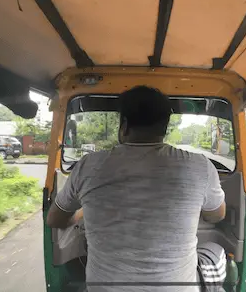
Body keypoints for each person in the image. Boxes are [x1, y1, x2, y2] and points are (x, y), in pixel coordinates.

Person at [46, 86, 227, 292]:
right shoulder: (200, 167)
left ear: (123, 126)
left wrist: (82, 213)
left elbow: (54, 219)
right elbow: (217, 215)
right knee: (216, 251)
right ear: (164, 128)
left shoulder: (89, 166)